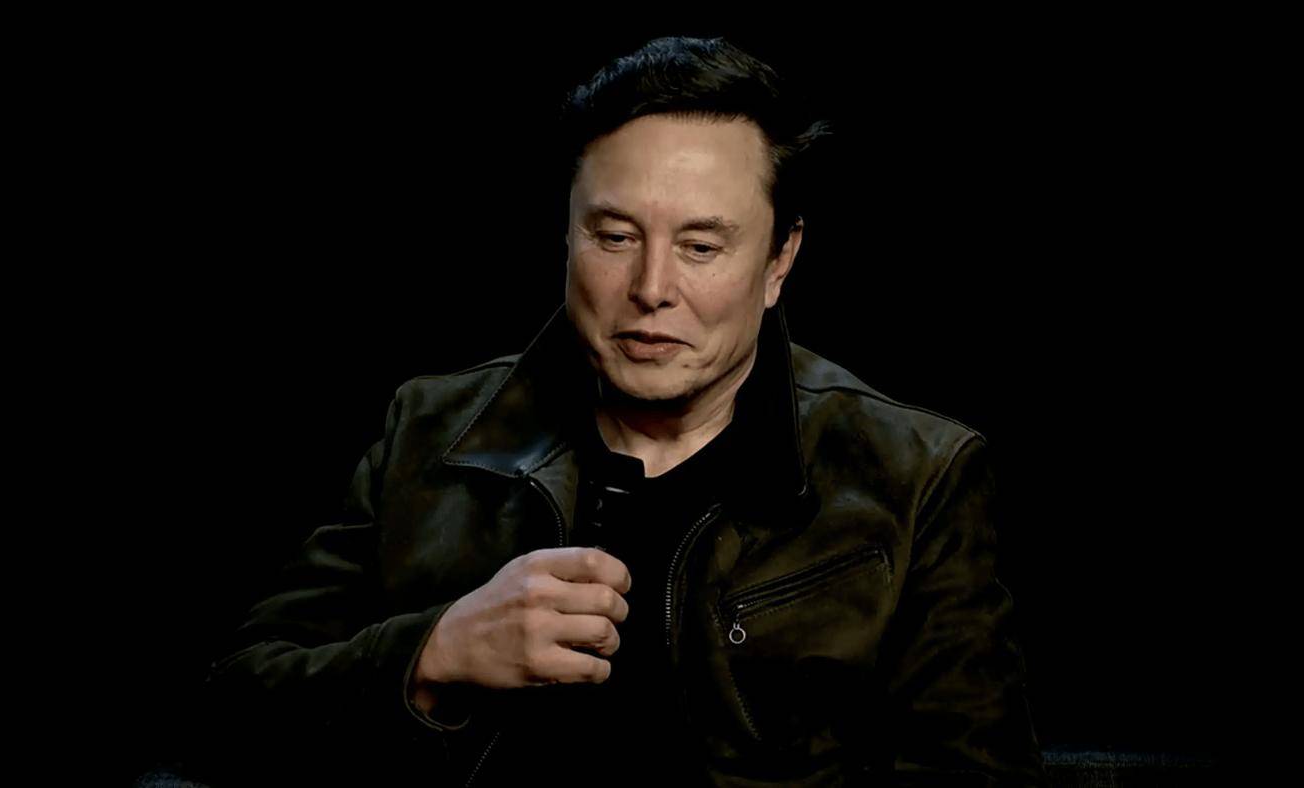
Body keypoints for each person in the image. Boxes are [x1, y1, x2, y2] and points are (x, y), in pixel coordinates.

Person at [193, 36, 1047, 787]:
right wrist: (433, 656)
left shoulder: (915, 474)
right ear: (566, 236)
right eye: (614, 237)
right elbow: (226, 713)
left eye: (701, 246)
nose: (651, 289)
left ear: (779, 260)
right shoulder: (430, 430)